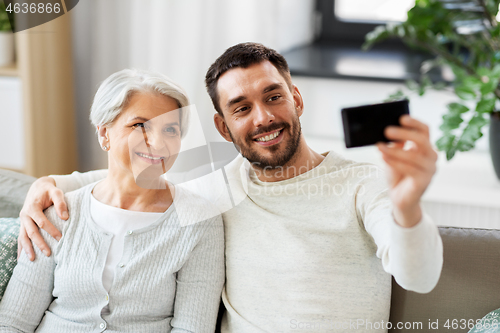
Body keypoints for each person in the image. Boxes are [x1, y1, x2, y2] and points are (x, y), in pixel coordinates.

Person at [18, 43, 442, 333]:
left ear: (296, 98)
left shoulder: (363, 184)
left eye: (273, 97)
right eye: (241, 109)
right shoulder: (217, 188)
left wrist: (408, 209)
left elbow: (418, 277)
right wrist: (51, 184)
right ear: (223, 127)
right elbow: (135, 175)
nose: (263, 118)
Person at [0, 69, 225, 333]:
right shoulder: (56, 213)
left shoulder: (200, 219)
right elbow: (14, 321)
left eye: (170, 129)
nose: (157, 142)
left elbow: (192, 328)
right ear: (104, 133)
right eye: (139, 125)